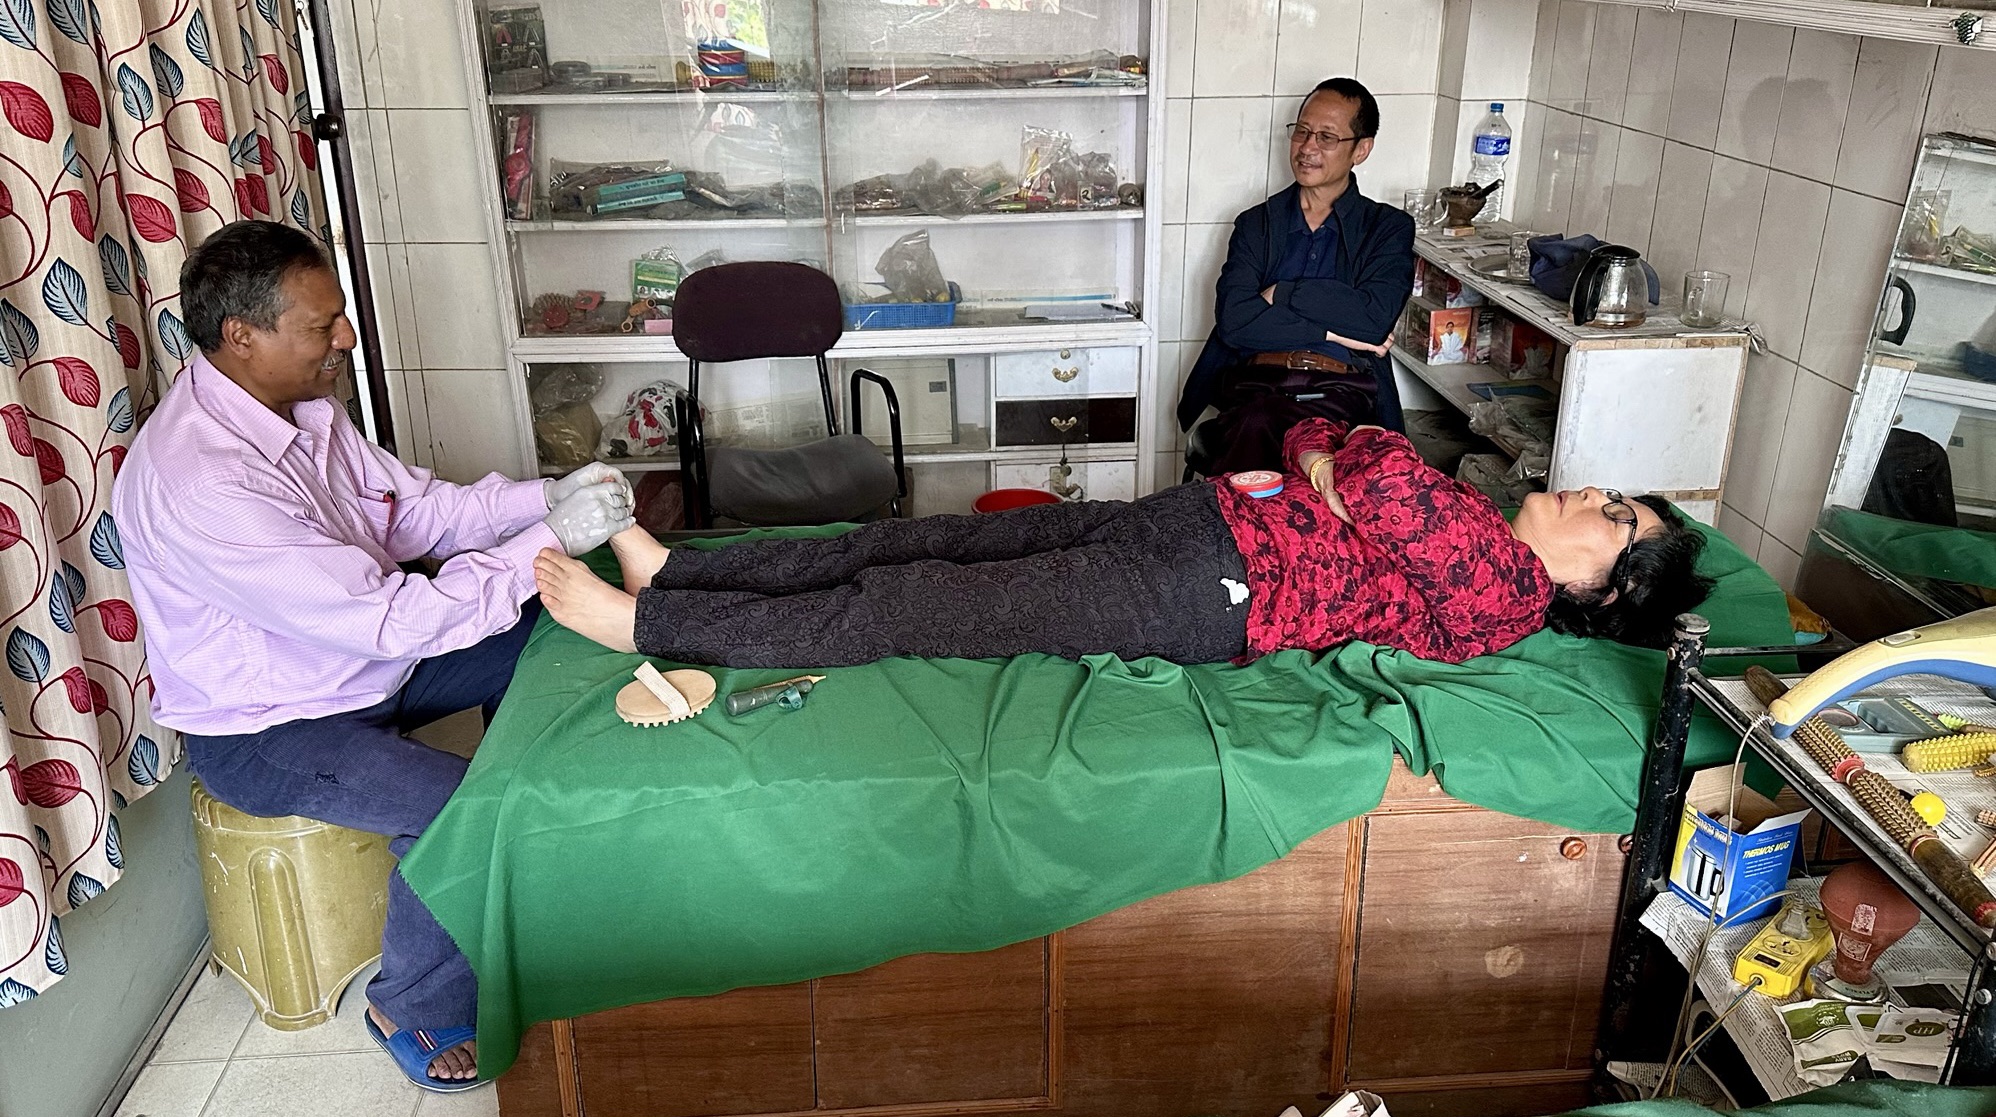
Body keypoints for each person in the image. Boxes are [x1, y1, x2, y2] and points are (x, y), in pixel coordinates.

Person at [112, 221, 636, 1093]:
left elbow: (416, 514)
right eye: (323, 325)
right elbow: (390, 620)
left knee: (551, 623)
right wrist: (549, 538)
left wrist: (542, 498)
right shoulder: (203, 479)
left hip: (362, 668)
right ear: (242, 336)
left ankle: (533, 844)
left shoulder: (304, 413)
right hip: (272, 724)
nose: (346, 336)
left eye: (339, 315)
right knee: (452, 805)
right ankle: (412, 1003)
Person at [532, 419, 1714, 671]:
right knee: (921, 538)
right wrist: (1339, 468)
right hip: (1185, 521)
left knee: (918, 598)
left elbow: (1364, 466)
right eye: (1616, 495)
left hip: (1209, 588)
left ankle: (653, 624)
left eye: (1618, 518)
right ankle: (679, 567)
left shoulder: (1503, 589)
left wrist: (1343, 469)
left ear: (1602, 590)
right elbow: (1322, 433)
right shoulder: (1474, 518)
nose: (1593, 495)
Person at [1177, 76, 1418, 477]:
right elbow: (1235, 322)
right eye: (1302, 131)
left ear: (1361, 149)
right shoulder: (1257, 224)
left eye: (1327, 137)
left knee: (1330, 458)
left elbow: (1373, 321)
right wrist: (1335, 334)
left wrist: (1283, 293)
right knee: (1258, 423)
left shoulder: (1386, 228)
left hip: (1341, 392)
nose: (1307, 147)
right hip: (1257, 384)